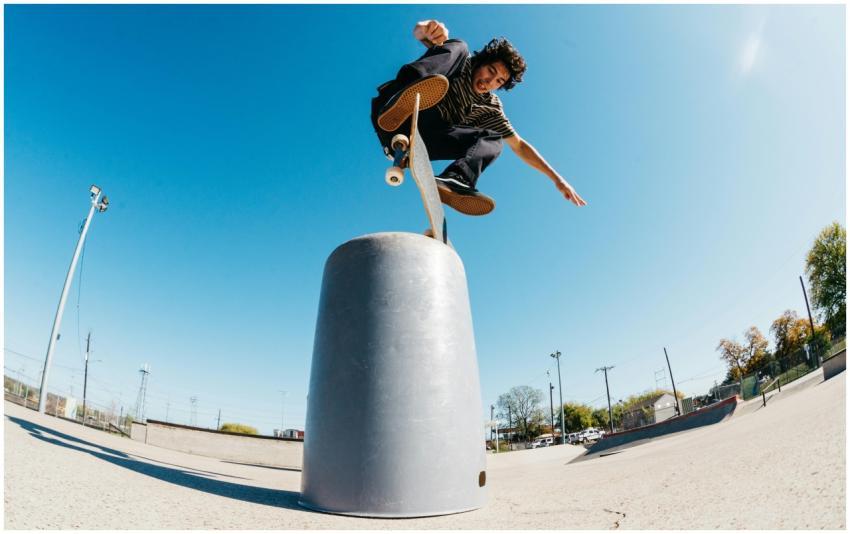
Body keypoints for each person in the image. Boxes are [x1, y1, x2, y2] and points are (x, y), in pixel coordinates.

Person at [371, 20, 587, 215]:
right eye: (490, 71)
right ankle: (407, 92)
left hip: (417, 141)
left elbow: (519, 146)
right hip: (391, 114)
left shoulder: (489, 107)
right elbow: (421, 33)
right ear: (481, 62)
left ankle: (456, 179)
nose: (490, 81)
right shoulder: (461, 62)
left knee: (493, 138)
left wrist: (557, 179)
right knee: (460, 45)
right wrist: (427, 27)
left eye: (499, 81)